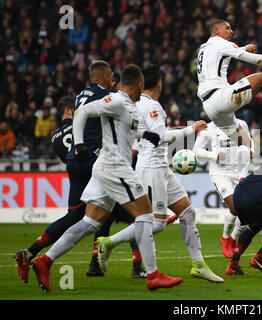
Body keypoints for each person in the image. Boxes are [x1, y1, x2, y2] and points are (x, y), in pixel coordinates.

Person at [30, 64, 182, 292]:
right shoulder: (118, 100)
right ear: (139, 86)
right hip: (115, 167)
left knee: (90, 222)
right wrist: (79, 143)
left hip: (105, 168)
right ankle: (152, 274)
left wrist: (144, 134)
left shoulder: (127, 106)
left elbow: (120, 130)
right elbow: (82, 112)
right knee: (145, 215)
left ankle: (45, 260)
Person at [95, 64, 223, 283]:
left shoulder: (139, 104)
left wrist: (183, 129)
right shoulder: (152, 106)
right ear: (159, 84)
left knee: (187, 213)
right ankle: (107, 243)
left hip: (161, 167)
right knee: (156, 223)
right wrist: (190, 130)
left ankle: (198, 264)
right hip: (151, 168)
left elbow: (156, 133)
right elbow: (160, 136)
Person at [14, 61, 115, 283]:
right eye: (111, 76)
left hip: (74, 164)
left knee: (75, 215)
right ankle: (109, 263)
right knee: (117, 209)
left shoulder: (59, 131)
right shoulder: (103, 96)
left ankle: (29, 253)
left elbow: (69, 149)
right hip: (93, 159)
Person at [196, 19, 262, 138]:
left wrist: (243, 48)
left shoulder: (204, 47)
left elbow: (222, 53)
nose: (231, 31)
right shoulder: (221, 43)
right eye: (227, 28)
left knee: (242, 144)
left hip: (208, 106)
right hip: (220, 97)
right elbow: (257, 60)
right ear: (216, 30)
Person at [193, 117, 254, 258]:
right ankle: (226, 238)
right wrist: (214, 155)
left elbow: (249, 143)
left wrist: (252, 151)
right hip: (220, 173)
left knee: (247, 211)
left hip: (238, 172)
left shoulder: (241, 123)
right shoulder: (208, 128)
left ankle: (233, 238)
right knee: (235, 207)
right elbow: (196, 150)